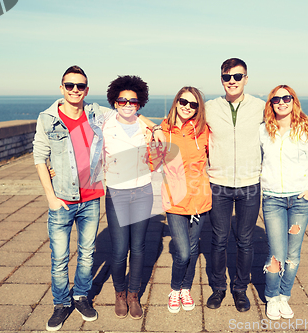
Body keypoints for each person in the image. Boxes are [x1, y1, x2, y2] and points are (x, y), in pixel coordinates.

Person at [205, 58, 308, 312]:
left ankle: (240, 289)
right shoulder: (210, 108)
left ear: (246, 78)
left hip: (250, 184)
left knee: (245, 241)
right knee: (218, 239)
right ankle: (218, 289)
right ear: (221, 79)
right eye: (227, 77)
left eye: (237, 76)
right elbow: (185, 123)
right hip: (218, 184)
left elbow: (289, 122)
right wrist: (157, 129)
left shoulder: (261, 107)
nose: (232, 81)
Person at [33, 65, 114, 331]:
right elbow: (39, 158)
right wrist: (51, 198)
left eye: (80, 86)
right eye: (70, 85)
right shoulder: (47, 118)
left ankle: (80, 297)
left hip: (91, 198)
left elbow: (128, 116)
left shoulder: (96, 113)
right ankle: (61, 303)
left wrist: (154, 128)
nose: (75, 90)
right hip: (62, 199)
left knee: (88, 254)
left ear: (86, 89)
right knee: (59, 258)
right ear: (62, 88)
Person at [260, 85, 308, 320]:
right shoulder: (263, 131)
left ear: (294, 101)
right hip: (273, 199)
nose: (281, 102)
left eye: (286, 98)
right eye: (276, 99)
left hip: (300, 200)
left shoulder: (306, 131)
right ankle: (271, 297)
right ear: (271, 103)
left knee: (293, 254)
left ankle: (284, 296)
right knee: (276, 253)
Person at [103, 75, 155, 320]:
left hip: (143, 190)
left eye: (133, 101)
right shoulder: (104, 124)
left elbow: (163, 142)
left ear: (140, 103)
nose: (127, 105)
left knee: (139, 248)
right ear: (114, 101)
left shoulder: (147, 127)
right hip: (116, 193)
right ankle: (119, 293)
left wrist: (148, 125)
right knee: (119, 249)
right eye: (122, 100)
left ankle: (134, 295)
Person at [158, 87, 211, 313]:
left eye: (193, 104)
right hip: (175, 201)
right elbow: (151, 162)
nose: (187, 107)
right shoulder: (162, 129)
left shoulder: (203, 131)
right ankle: (174, 289)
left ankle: (186, 288)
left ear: (198, 108)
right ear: (176, 102)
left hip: (200, 200)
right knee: (182, 252)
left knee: (192, 248)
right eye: (183, 101)